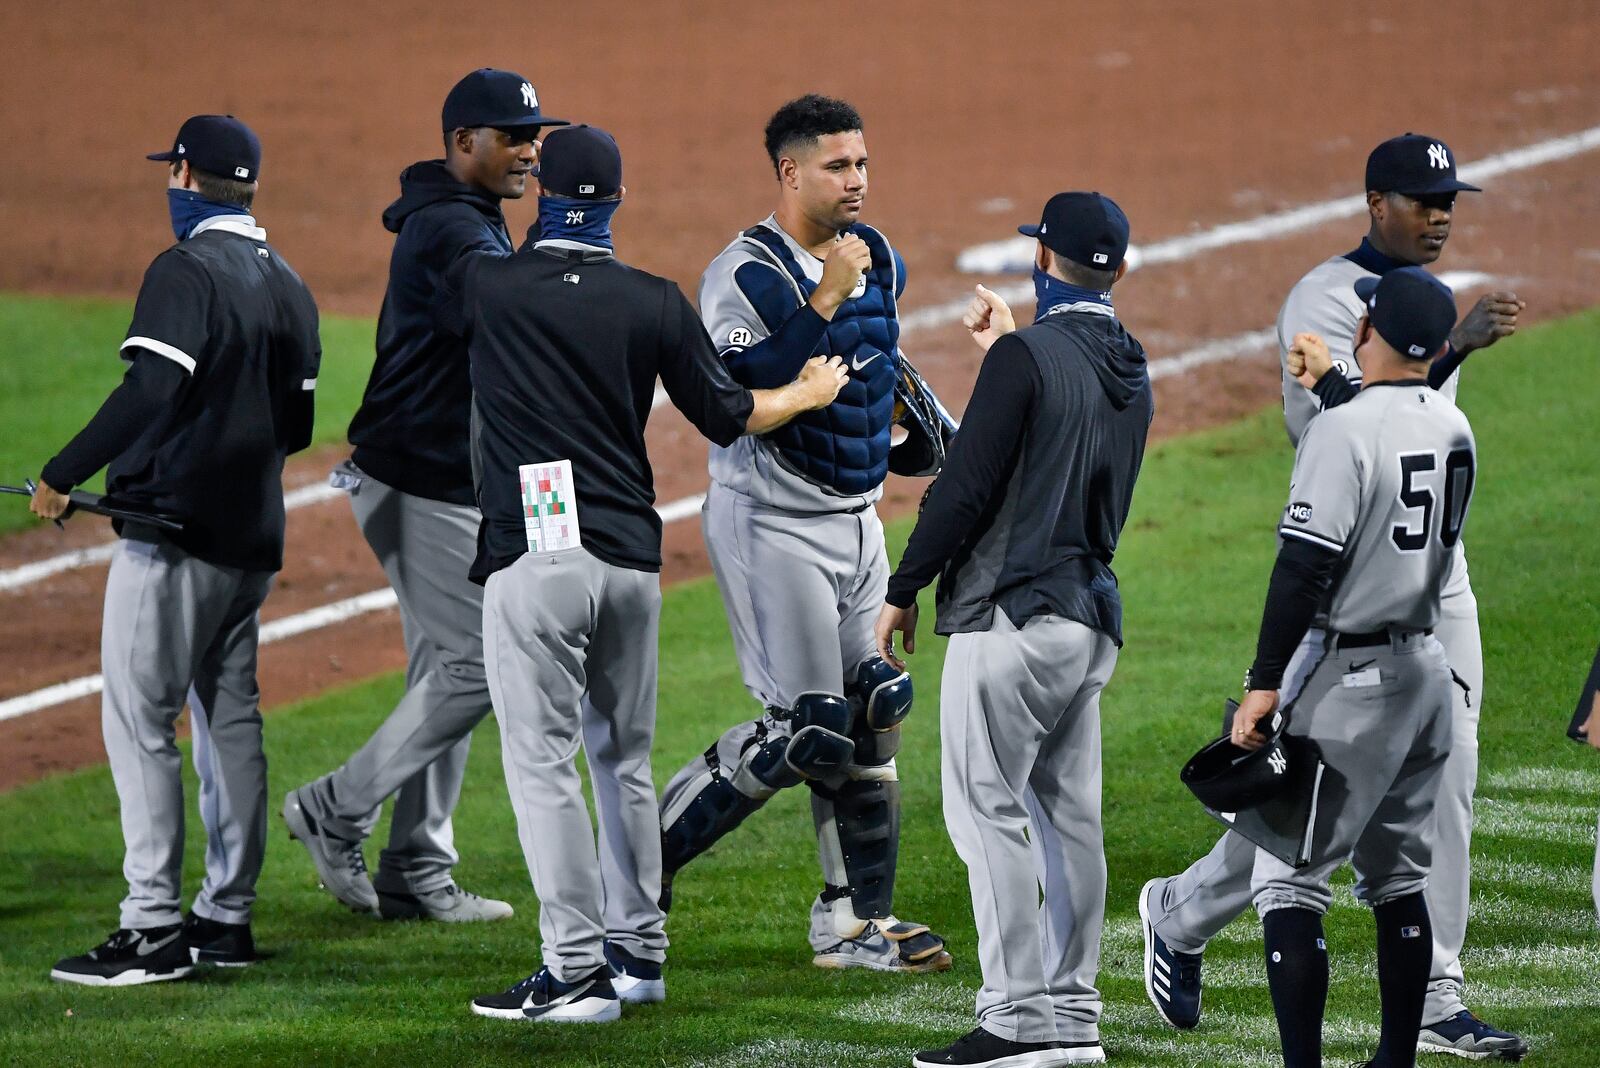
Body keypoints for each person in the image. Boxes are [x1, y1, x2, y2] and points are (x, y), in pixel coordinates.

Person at [1138, 133, 1529, 1061]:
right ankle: (1184, 914)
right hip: (1348, 587)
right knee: (1308, 807)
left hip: (1437, 582)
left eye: (1449, 202)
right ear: (1373, 202)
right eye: (1422, 200)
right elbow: (1347, 428)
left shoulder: (1421, 305)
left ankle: (1438, 993)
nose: (1440, 216)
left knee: (1443, 779)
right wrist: (1455, 346)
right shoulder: (1325, 301)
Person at [458, 125, 848, 1022]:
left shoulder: (490, 287)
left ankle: (573, 972)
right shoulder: (653, 300)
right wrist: (805, 394)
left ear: (543, 195)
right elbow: (726, 412)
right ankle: (638, 954)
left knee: (544, 767)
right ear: (617, 205)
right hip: (630, 558)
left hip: (538, 557)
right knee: (622, 762)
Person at [656, 94, 950, 974]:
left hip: (856, 521)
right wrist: (823, 297)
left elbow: (879, 366)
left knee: (875, 710)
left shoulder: (879, 254)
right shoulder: (741, 275)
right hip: (770, 523)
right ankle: (630, 874)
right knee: (806, 729)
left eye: (861, 163)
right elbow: (738, 394)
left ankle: (853, 923)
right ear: (790, 171)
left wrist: (924, 434)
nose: (856, 180)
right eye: (836, 166)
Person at [36, 115, 321, 984]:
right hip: (251, 541)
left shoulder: (187, 268)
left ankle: (153, 925)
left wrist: (63, 472)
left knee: (140, 723)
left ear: (186, 176)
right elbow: (300, 428)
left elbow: (154, 383)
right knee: (228, 718)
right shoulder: (291, 284)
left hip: (175, 539)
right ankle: (223, 919)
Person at [283, 68, 566, 923]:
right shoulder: (452, 229)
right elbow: (518, 324)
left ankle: (418, 869)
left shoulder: (471, 218)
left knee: (441, 669)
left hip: (448, 481)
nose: (527, 151)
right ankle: (334, 809)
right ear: (461, 143)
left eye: (535, 138)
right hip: (419, 481)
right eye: (510, 137)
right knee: (479, 665)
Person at [877, 193, 1151, 1068]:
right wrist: (1006, 355)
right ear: (1117, 269)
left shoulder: (1028, 358)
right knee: (1069, 821)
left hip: (1011, 620)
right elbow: (1054, 428)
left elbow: (966, 487)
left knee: (986, 811)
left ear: (1042, 261)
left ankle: (1014, 1019)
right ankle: (1072, 1017)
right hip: (1087, 620)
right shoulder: (1131, 363)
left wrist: (905, 585)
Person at [1225, 267, 1476, 1067]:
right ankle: (1394, 1062)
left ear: (1370, 335)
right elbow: (1387, 431)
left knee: (1288, 884)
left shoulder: (1341, 431)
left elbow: (1301, 566)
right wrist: (1333, 383)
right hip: (1427, 677)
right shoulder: (1451, 422)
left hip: (1352, 680)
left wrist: (1264, 683)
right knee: (1399, 883)